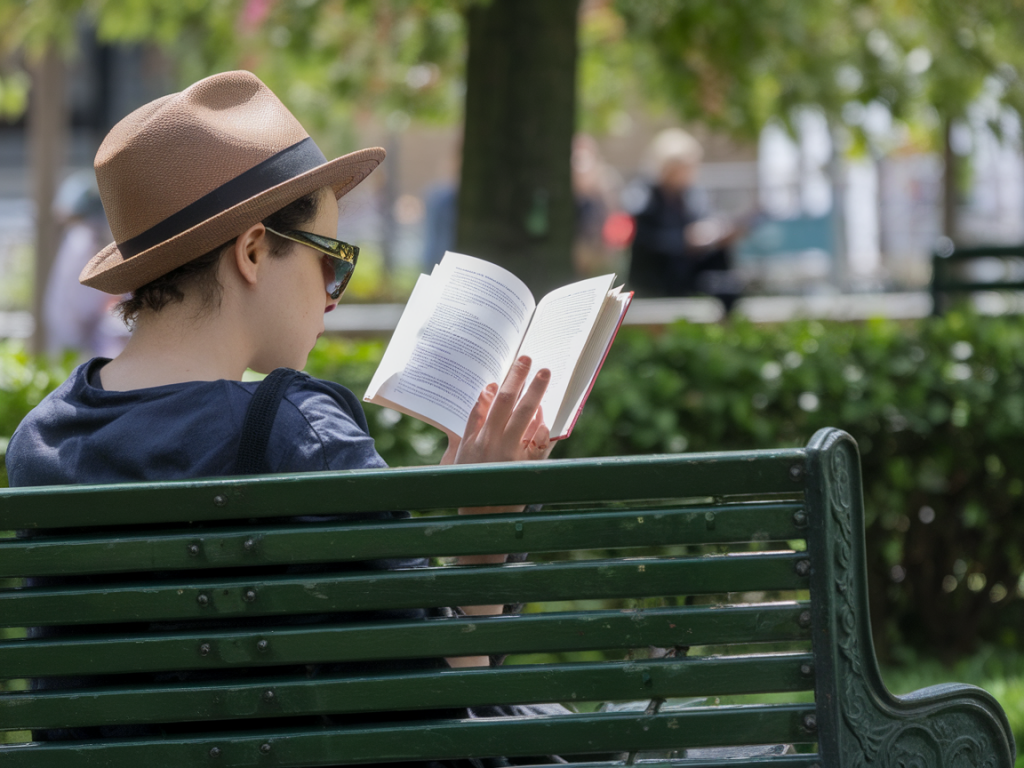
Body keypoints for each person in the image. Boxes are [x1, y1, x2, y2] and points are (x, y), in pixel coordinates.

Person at [5, 71, 563, 766]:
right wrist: (481, 533)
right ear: (250, 252)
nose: (331, 297)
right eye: (332, 261)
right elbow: (448, 719)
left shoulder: (41, 441)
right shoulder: (301, 435)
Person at [626, 128, 743, 311]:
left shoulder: (692, 195)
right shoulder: (644, 197)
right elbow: (647, 240)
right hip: (659, 274)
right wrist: (684, 240)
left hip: (689, 270)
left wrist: (717, 230)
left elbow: (708, 219)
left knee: (726, 279)